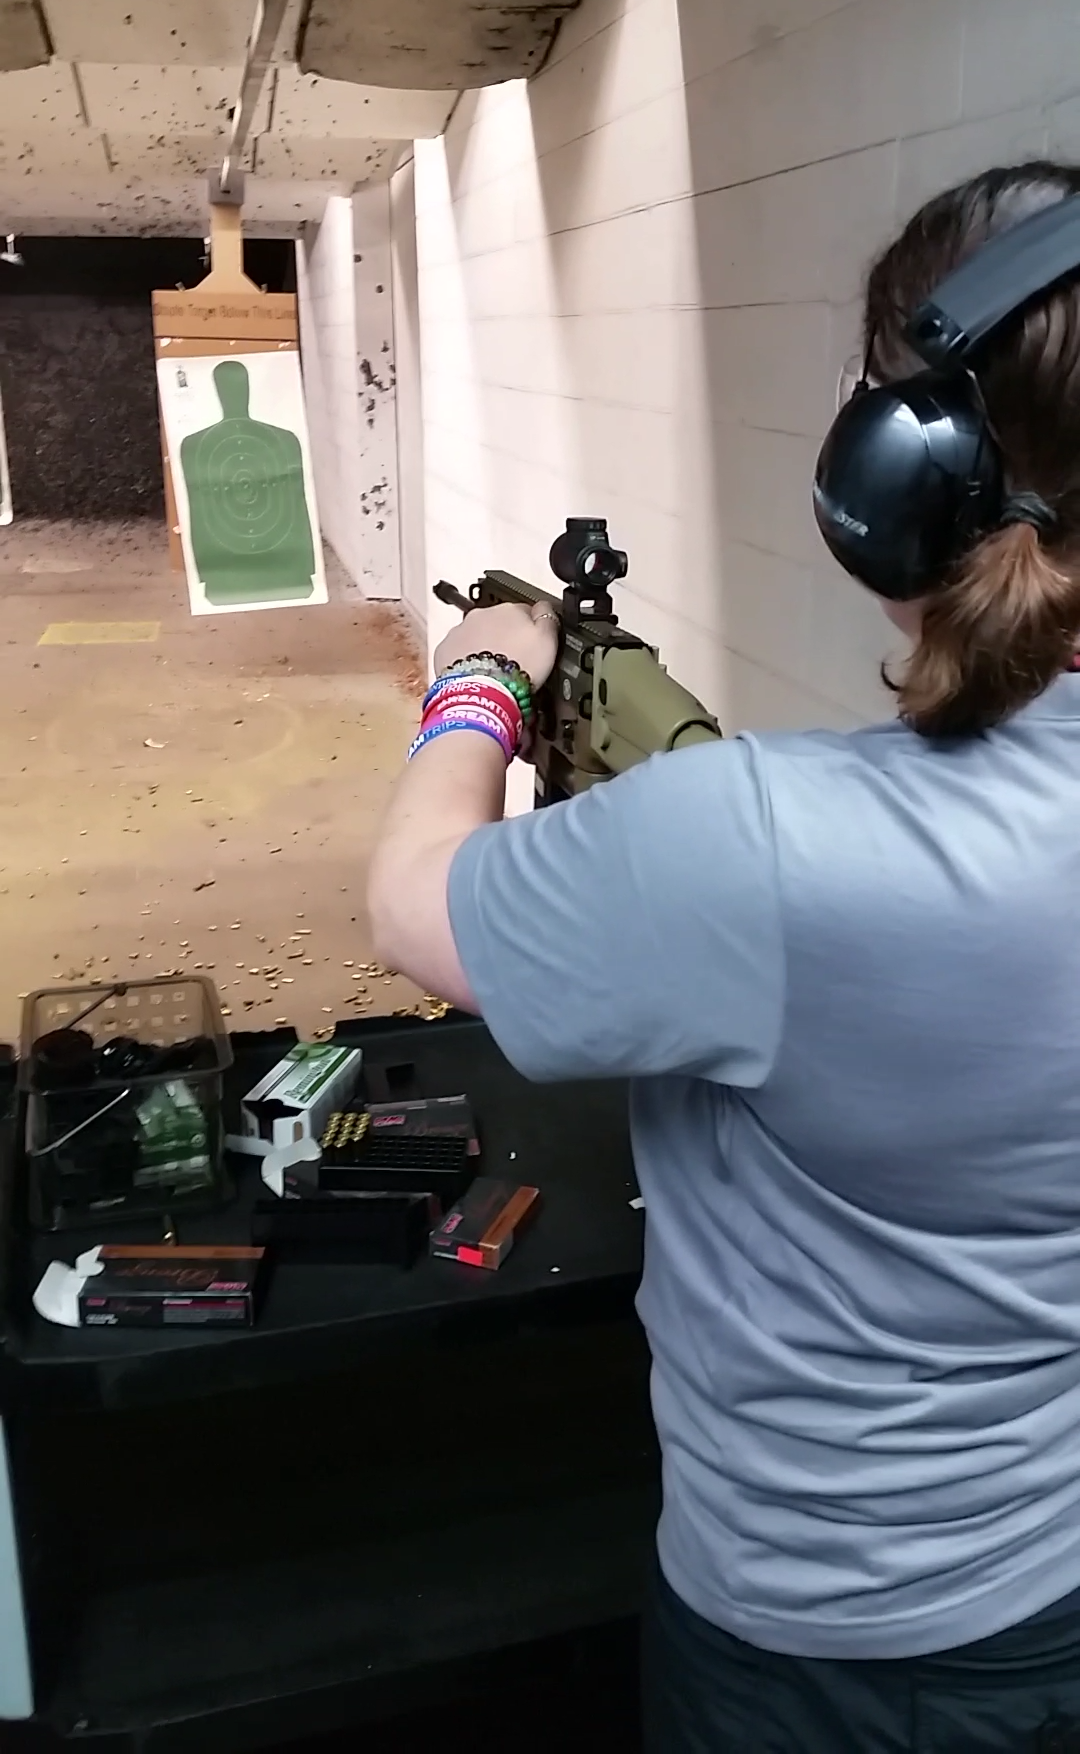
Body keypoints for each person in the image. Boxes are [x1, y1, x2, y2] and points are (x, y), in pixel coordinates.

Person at [368, 162, 1080, 1752]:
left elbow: (417, 905)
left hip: (822, 1646)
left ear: (897, 478)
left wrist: (479, 682)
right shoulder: (769, 838)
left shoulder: (758, 839)